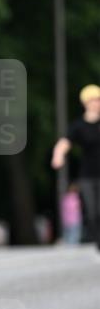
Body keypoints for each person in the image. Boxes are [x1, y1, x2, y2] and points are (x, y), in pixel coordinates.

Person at [51, 84, 100, 250]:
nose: (96, 103)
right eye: (93, 100)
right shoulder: (79, 126)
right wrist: (58, 155)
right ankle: (97, 242)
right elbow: (64, 142)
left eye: (99, 100)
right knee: (92, 212)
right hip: (87, 175)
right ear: (85, 103)